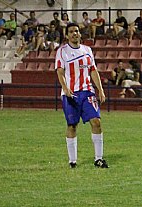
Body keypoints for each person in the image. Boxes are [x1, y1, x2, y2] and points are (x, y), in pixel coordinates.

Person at [55, 23, 108, 169]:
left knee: (96, 122)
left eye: (76, 31)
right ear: (67, 35)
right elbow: (60, 71)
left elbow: (93, 70)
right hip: (71, 94)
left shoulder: (87, 50)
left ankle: (99, 159)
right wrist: (65, 88)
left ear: (80, 34)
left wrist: (100, 90)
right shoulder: (62, 51)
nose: (74, 34)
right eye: (71, 32)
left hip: (87, 91)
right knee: (72, 125)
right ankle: (72, 161)